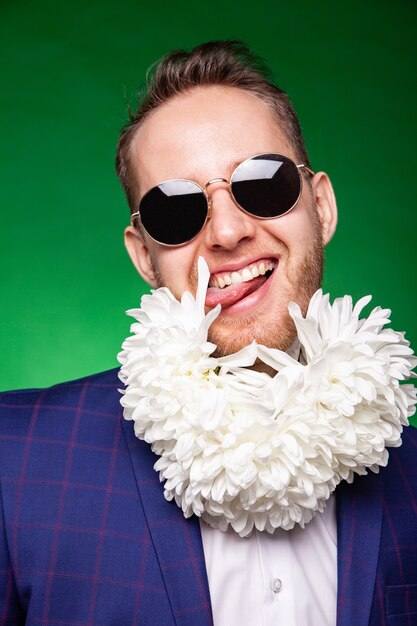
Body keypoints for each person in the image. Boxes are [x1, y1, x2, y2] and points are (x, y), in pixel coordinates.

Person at [0, 40, 416, 626]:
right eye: (176, 209)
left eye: (264, 183)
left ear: (320, 207)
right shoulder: (13, 460)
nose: (226, 230)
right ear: (144, 254)